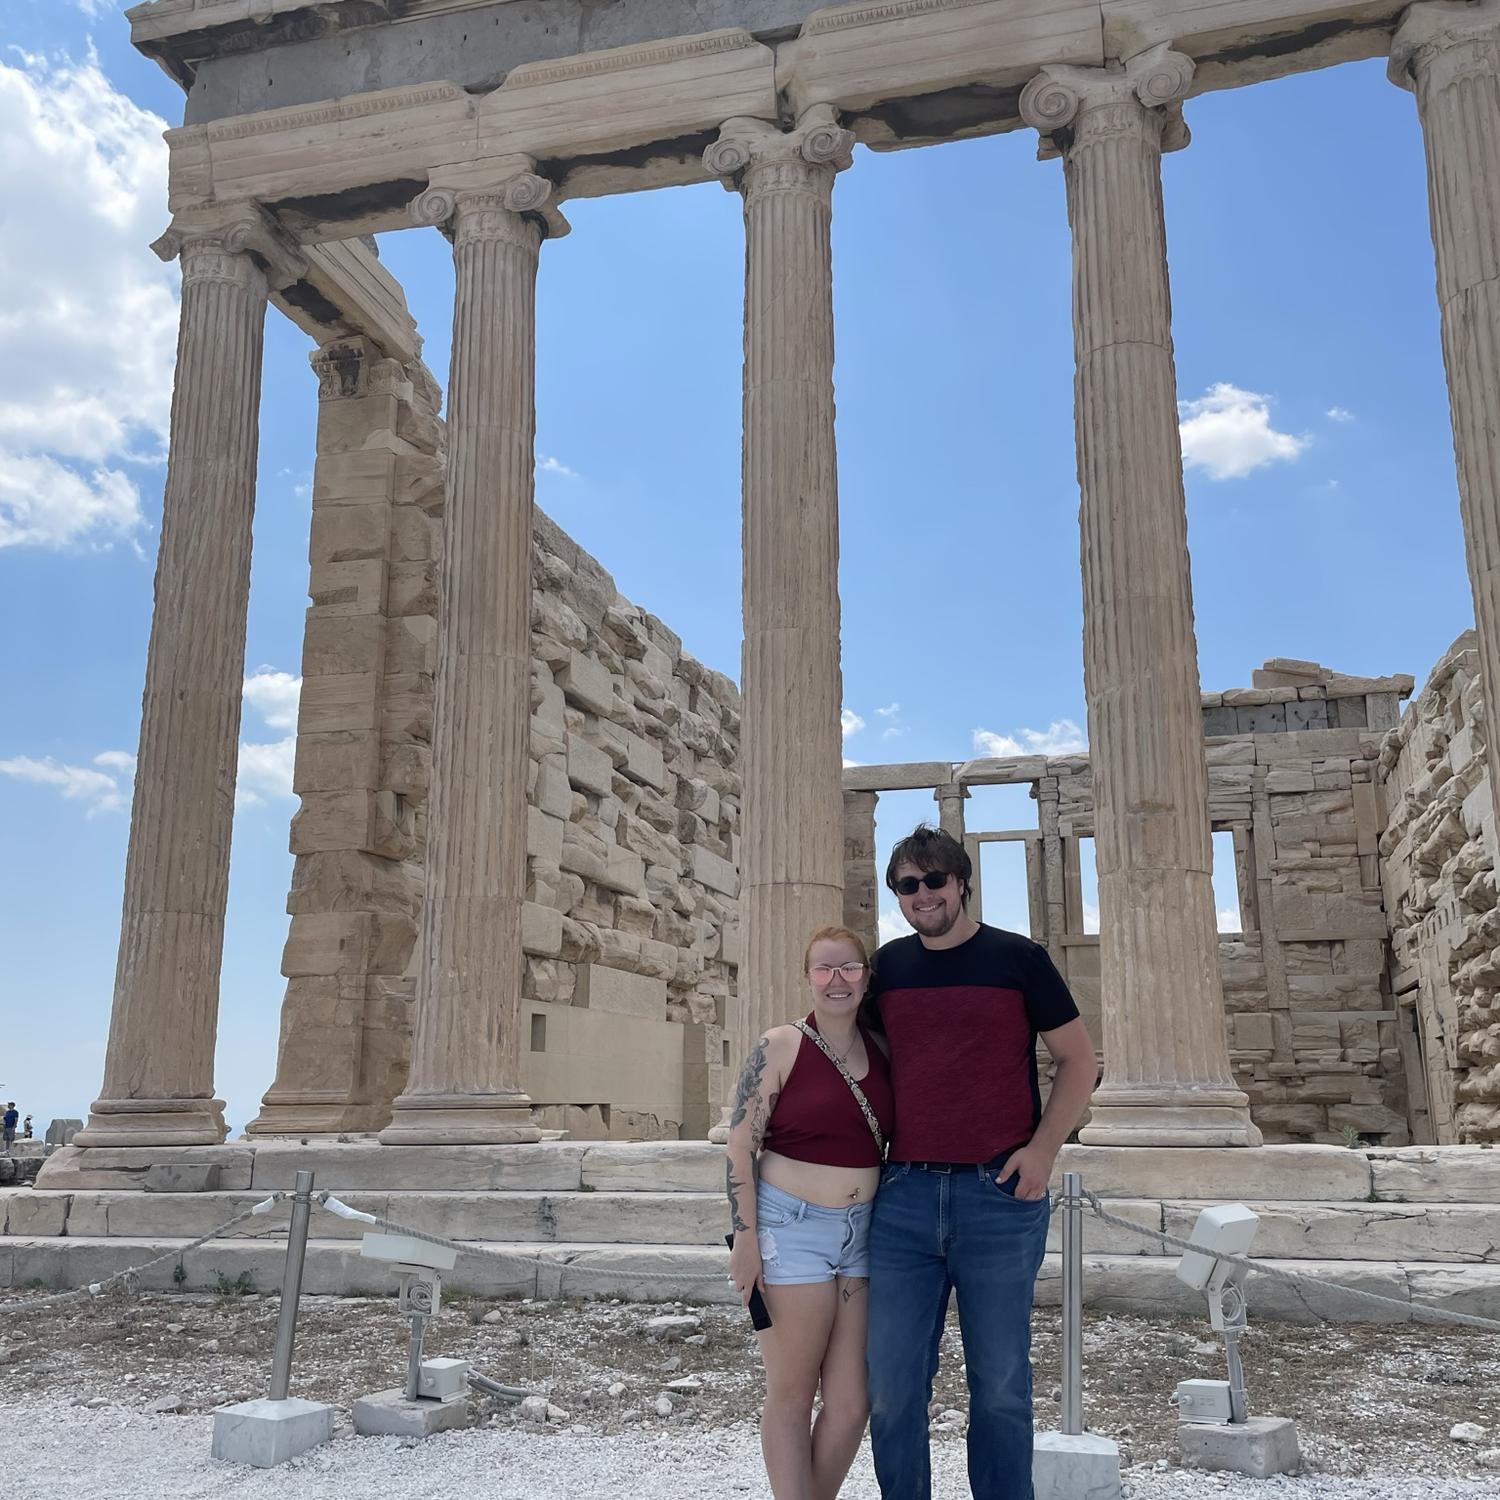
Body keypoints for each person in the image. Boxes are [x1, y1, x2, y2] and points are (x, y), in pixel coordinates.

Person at [864, 825, 1099, 1500]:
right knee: (891, 1385)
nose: (923, 894)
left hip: (999, 1195)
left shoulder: (1018, 960)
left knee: (999, 1387)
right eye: (908, 885)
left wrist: (1044, 1150)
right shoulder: (889, 970)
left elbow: (1078, 1061)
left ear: (962, 882)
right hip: (904, 1196)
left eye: (935, 879)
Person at [725, 925, 896, 1500]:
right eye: (823, 969)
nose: (836, 980)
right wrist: (744, 1238)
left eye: (848, 968)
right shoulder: (780, 1044)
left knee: (851, 1405)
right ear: (808, 978)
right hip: (787, 1229)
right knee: (792, 1395)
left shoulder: (883, 1050)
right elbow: (740, 1142)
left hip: (862, 1234)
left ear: (865, 976)